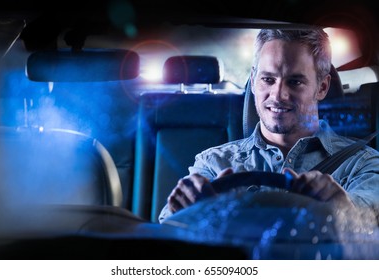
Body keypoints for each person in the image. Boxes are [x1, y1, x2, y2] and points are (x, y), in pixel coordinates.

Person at [158, 28, 379, 224]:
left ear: (322, 87)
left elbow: (370, 214)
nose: (278, 95)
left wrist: (344, 212)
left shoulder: (361, 164)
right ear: (253, 79)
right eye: (268, 79)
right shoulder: (214, 163)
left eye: (295, 82)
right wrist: (185, 209)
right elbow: (169, 229)